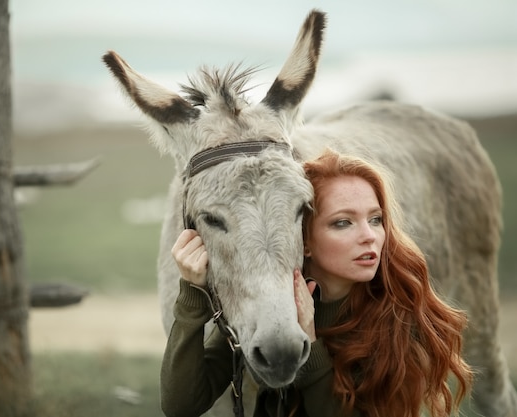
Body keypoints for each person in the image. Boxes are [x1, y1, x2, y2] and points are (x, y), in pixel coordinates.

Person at [160, 149, 472, 417]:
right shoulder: (275, 306)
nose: (369, 236)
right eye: (343, 222)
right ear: (303, 238)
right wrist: (193, 292)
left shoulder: (401, 317)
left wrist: (311, 343)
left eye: (376, 219)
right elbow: (181, 405)